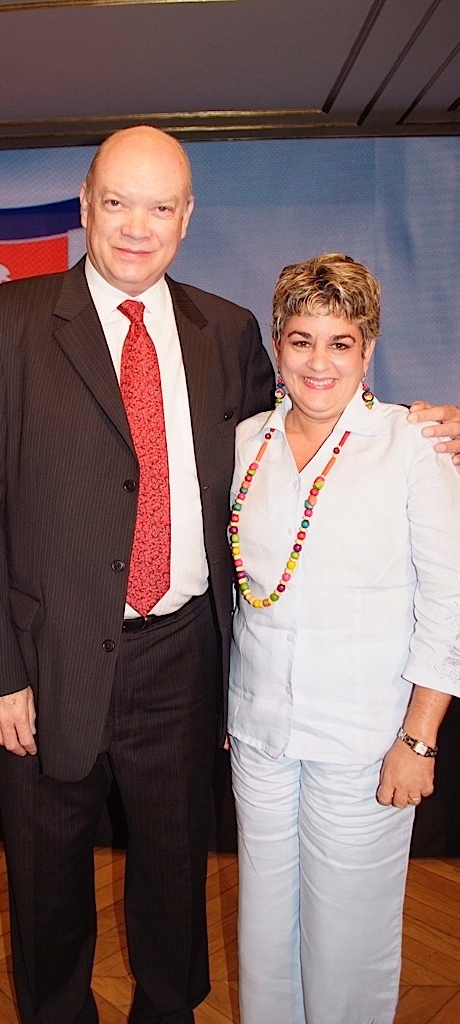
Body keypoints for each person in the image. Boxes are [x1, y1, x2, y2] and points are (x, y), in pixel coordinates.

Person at [0, 126, 460, 1024]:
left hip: (182, 660)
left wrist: (434, 425)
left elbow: (307, 422)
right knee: (44, 888)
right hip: (44, 663)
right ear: (85, 205)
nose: (136, 226)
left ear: (187, 216)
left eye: (159, 207)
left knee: (175, 882)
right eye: (117, 202)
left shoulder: (224, 330)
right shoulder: (2, 323)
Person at [227, 252, 460, 1024]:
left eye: (340, 342)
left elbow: (449, 603)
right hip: (258, 734)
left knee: (346, 942)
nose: (318, 362)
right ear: (277, 345)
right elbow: (241, 590)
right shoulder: (246, 442)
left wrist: (418, 739)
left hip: (365, 740)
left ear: (368, 348)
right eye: (301, 340)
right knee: (264, 936)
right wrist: (234, 705)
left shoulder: (414, 443)